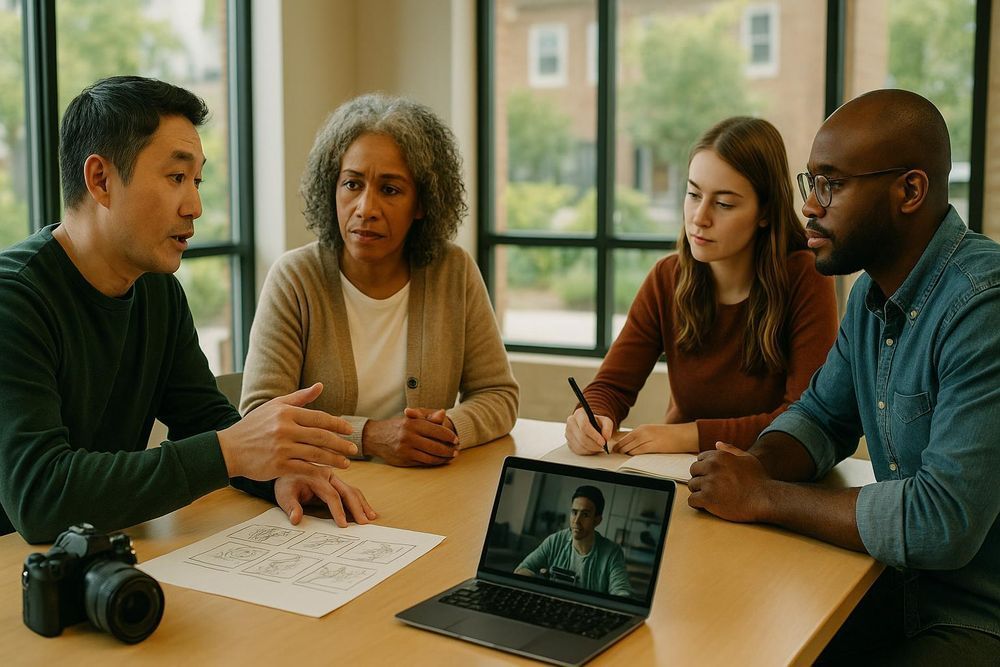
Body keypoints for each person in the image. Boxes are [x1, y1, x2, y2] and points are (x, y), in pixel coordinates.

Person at [688, 89, 1000, 663]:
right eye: (811, 183)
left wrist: (762, 497)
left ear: (910, 190)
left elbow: (942, 520)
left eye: (831, 184)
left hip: (976, 619)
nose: (810, 206)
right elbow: (819, 418)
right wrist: (750, 467)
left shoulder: (983, 306)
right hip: (886, 584)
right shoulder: (868, 297)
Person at [0, 76, 376, 544]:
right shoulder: (14, 299)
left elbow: (205, 421)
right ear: (100, 180)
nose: (195, 205)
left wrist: (274, 473)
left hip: (101, 558)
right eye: (176, 178)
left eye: (196, 180)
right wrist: (231, 452)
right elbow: (41, 497)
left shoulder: (157, 291)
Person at [241, 93, 518, 467]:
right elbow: (261, 414)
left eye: (389, 189)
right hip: (321, 494)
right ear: (331, 188)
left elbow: (497, 394)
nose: (366, 209)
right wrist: (370, 436)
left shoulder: (453, 271)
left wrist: (446, 428)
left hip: (427, 488)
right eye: (352, 184)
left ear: (422, 204)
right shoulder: (295, 278)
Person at [566, 117, 837, 456]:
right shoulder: (668, 278)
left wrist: (689, 436)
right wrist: (590, 417)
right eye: (693, 194)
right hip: (681, 471)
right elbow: (612, 386)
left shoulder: (805, 278)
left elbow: (805, 419)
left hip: (768, 477)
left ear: (765, 211)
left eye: (724, 203)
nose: (699, 217)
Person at [515, 486, 632, 597]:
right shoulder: (555, 541)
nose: (576, 521)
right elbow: (522, 570)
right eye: (574, 512)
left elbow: (622, 592)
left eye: (585, 515)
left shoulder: (612, 552)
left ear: (597, 520)